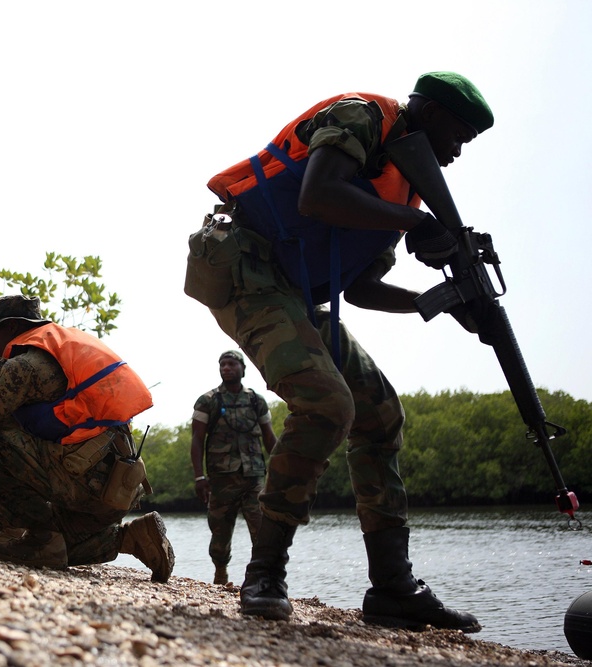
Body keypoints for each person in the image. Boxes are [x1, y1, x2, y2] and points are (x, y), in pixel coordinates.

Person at [198, 72, 493, 631]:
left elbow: (358, 288)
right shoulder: (365, 115)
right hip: (249, 270)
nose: (456, 155)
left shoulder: (401, 183)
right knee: (328, 405)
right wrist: (415, 221)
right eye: (458, 137)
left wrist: (441, 302)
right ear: (428, 114)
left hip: (297, 296)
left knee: (380, 415)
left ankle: (393, 588)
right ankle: (264, 573)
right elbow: (319, 193)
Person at [0, 294, 175, 582]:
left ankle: (33, 536)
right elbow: (20, 417)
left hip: (86, 485)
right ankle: (132, 538)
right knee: (60, 550)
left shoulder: (24, 365)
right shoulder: (51, 353)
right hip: (109, 488)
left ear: (12, 327)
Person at [191, 350, 278, 586]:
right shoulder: (208, 400)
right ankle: (221, 572)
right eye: (222, 364)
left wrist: (284, 470)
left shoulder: (255, 401)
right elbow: (197, 440)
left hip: (254, 478)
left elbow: (269, 438)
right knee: (220, 534)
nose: (226, 368)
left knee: (262, 530)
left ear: (242, 368)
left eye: (231, 364)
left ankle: (260, 579)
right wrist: (200, 477)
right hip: (221, 480)